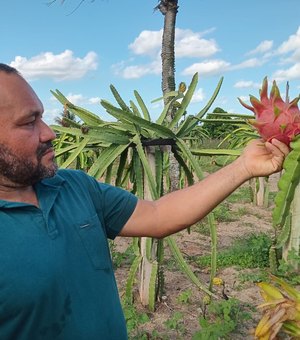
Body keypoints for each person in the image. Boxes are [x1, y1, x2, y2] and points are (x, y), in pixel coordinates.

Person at [0, 63, 289, 340]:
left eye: (42, 117)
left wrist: (244, 168)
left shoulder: (75, 186)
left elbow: (158, 214)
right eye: (29, 122)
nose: (49, 132)